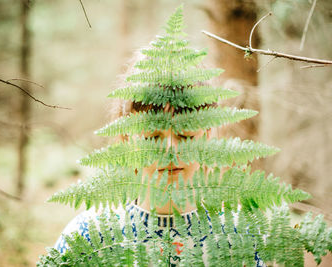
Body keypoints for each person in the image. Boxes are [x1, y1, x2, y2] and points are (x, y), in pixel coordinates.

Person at [53, 93, 266, 266]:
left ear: (207, 135)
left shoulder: (238, 236)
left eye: (186, 135)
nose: (170, 150)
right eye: (152, 137)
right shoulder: (88, 237)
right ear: (128, 139)